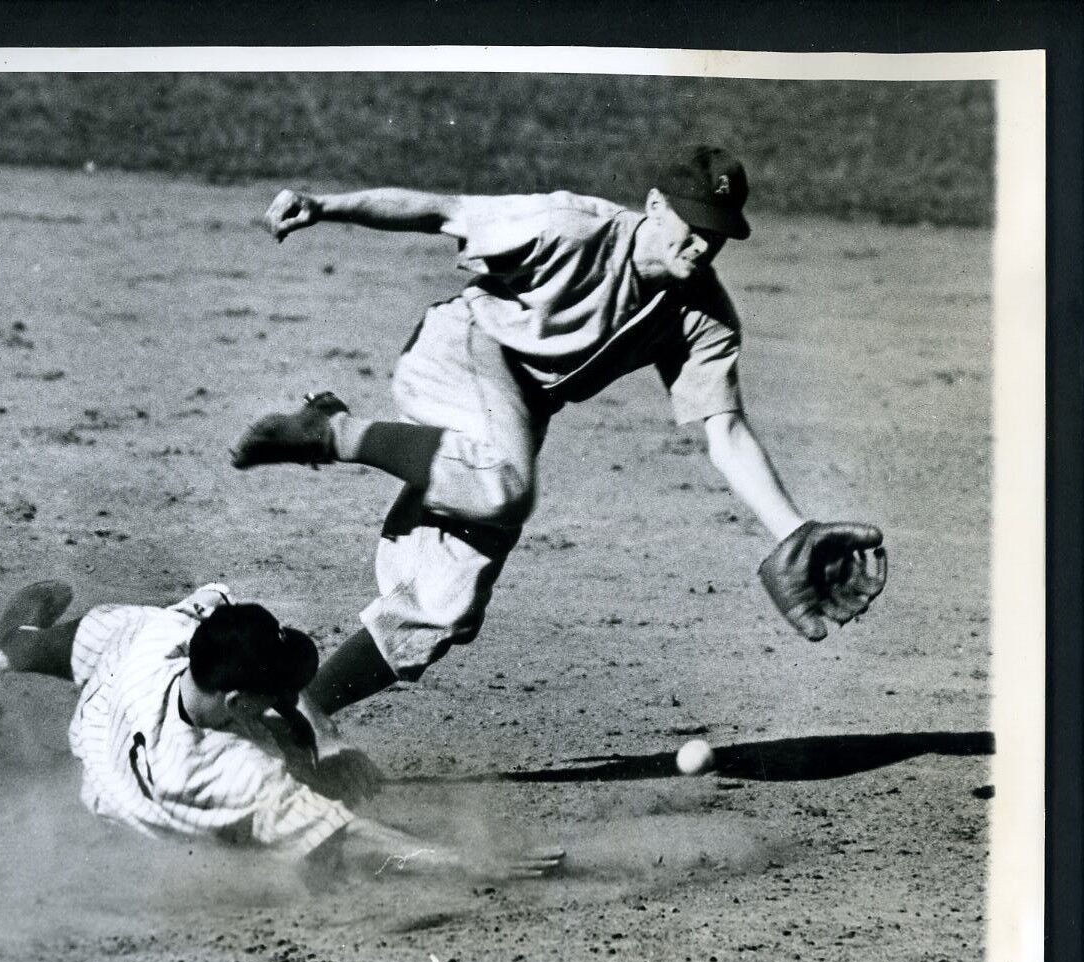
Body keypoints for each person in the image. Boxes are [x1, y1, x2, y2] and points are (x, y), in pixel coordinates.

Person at [232, 145, 888, 721]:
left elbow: (725, 431)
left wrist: (791, 530)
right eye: (692, 228)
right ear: (654, 205)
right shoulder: (569, 226)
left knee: (444, 606)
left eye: (716, 236)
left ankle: (298, 713)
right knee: (501, 483)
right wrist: (322, 206)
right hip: (461, 348)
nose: (701, 247)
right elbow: (443, 210)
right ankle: (331, 430)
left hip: (513, 411)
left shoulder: (703, 317)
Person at [0, 579, 563, 879]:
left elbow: (212, 610)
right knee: (315, 835)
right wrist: (461, 860)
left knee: (112, 630)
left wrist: (329, 736)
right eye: (272, 693)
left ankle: (6, 652)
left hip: (119, 697)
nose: (285, 696)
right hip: (125, 803)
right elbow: (353, 834)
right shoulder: (232, 771)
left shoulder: (169, 640)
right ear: (235, 700)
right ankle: (6, 658)